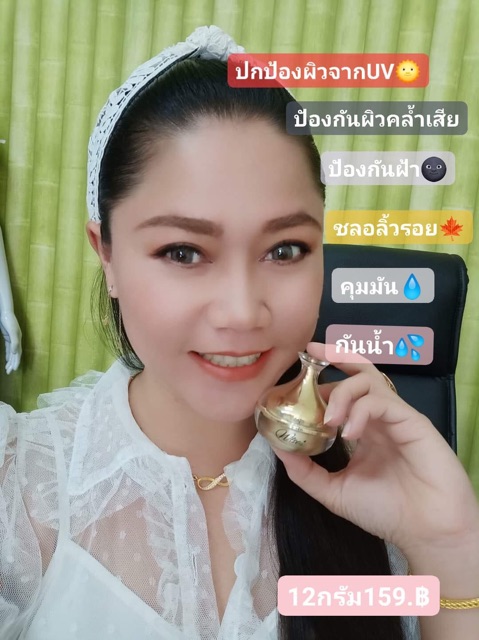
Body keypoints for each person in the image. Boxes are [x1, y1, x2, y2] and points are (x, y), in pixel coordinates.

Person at [0, 25, 478, 640]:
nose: (243, 313)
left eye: (285, 249)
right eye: (183, 252)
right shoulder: (21, 485)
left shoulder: (372, 485)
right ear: (108, 256)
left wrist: (446, 546)